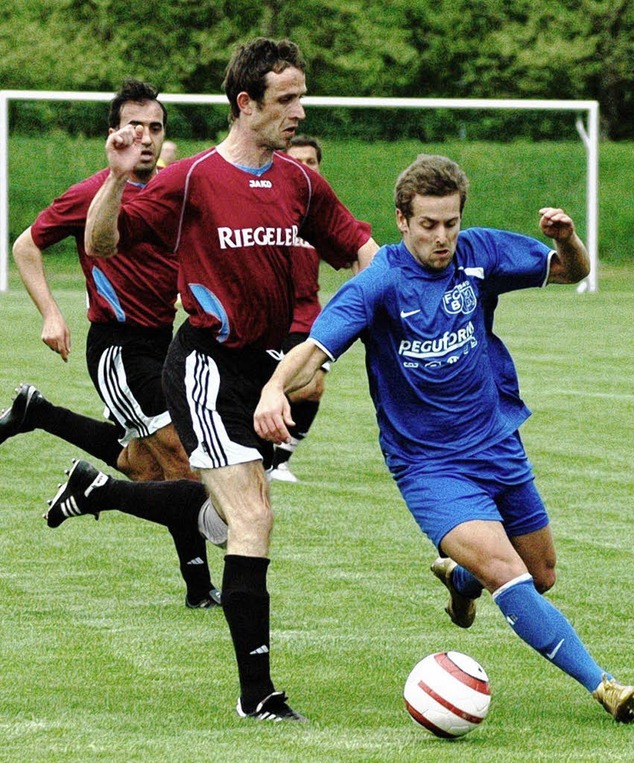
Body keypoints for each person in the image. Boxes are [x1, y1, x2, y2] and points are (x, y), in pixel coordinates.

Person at [254, 154, 634, 723]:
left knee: (541, 576)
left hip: (497, 443)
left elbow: (571, 271)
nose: (442, 237)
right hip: (429, 468)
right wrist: (273, 389)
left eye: (450, 223)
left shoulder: (479, 254)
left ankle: (461, 577)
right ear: (401, 220)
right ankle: (605, 685)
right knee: (509, 577)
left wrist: (571, 238)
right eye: (428, 224)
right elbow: (314, 350)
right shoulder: (380, 283)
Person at [82, 38, 378, 721]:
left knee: (225, 517)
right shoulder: (190, 180)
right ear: (246, 104)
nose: (299, 112)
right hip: (209, 367)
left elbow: (362, 254)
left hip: (272, 374)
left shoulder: (299, 182)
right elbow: (102, 243)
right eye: (287, 100)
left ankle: (107, 492)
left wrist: (402, 293)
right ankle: (259, 696)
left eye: (301, 97)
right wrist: (117, 178)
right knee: (253, 516)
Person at [8, 79, 221, 609]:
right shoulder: (92, 193)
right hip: (117, 349)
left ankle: (41, 416)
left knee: (143, 469)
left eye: (155, 128)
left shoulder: (177, 188)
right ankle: (199, 587)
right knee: (180, 461)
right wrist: (52, 314)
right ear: (114, 134)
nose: (145, 138)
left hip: (163, 343)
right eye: (135, 127)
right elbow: (25, 246)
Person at [269, 135, 326, 483]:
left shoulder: (322, 212)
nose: (305, 168)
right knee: (297, 385)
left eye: (311, 162)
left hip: (309, 314)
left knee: (312, 386)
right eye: (297, 161)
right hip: (273, 316)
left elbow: (352, 251)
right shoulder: (268, 205)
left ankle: (279, 460)